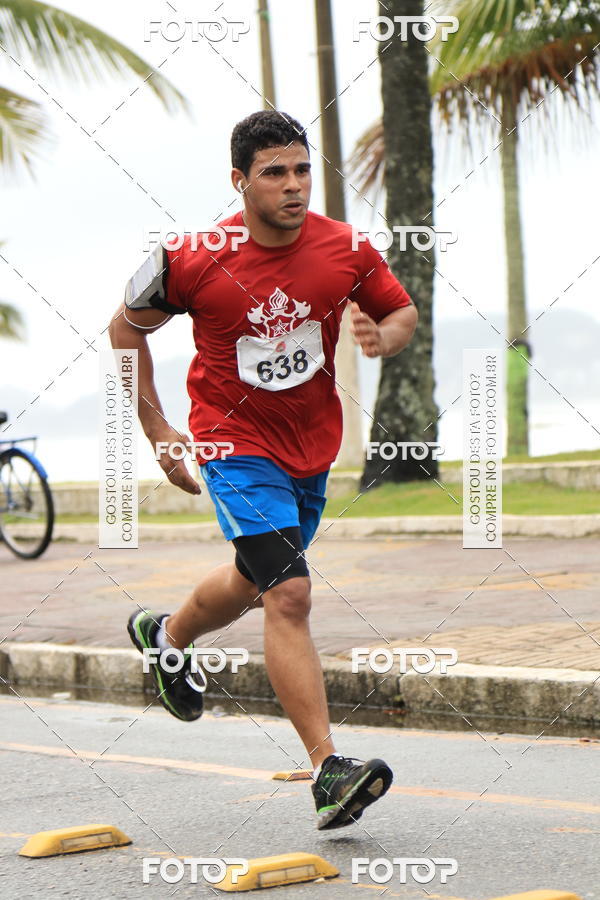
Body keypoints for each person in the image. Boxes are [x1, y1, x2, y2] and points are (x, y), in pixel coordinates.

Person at [109, 110, 418, 830]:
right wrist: (159, 430)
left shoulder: (344, 247)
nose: (293, 185)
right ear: (240, 180)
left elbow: (400, 312)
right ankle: (328, 771)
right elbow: (125, 330)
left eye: (302, 170)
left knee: (254, 582)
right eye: (274, 172)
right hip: (230, 442)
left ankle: (167, 637)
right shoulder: (191, 257)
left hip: (310, 448)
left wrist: (384, 337)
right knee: (291, 594)